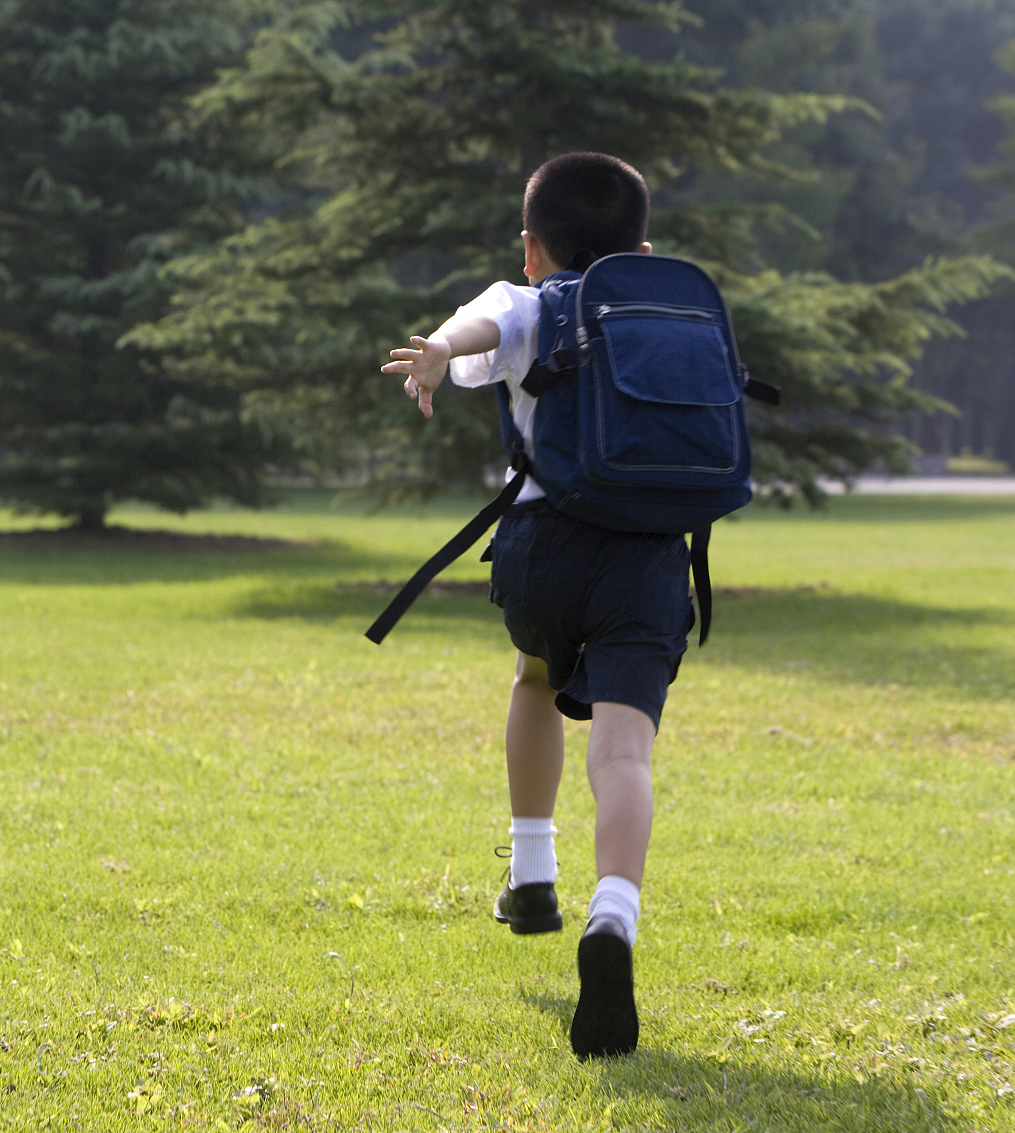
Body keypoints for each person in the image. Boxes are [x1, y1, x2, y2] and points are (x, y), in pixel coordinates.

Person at [380, 153, 692, 1060]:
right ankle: (615, 916)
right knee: (625, 745)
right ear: (643, 249)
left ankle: (532, 874)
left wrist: (440, 350)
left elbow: (486, 321)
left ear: (531, 248)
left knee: (535, 676)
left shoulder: (534, 301)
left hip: (545, 549)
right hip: (648, 555)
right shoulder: (667, 311)